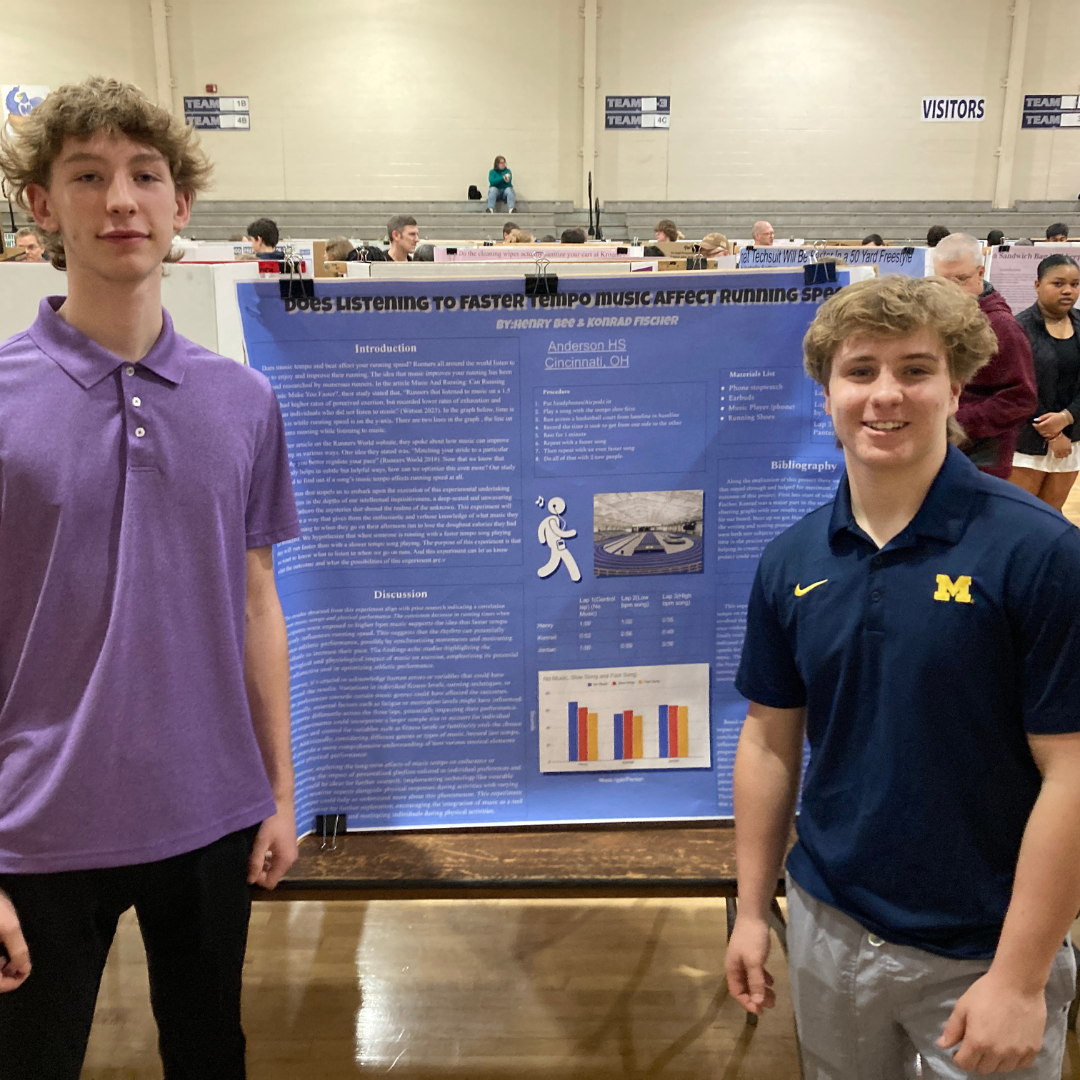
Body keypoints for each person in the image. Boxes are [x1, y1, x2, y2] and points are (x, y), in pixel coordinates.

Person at [0, 76, 301, 1077]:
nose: (120, 200)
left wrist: (278, 788)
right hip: (34, 827)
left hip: (209, 811)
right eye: (87, 176)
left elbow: (257, 599)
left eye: (144, 175)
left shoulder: (243, 401)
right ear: (41, 205)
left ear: (181, 204)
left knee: (211, 1055)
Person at [726, 273, 1080, 1080]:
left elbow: (1074, 772)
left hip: (985, 946)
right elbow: (771, 742)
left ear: (956, 388)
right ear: (827, 394)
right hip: (828, 925)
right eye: (861, 371)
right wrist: (752, 912)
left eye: (915, 370)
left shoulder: (1040, 554)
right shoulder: (793, 560)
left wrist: (1022, 979)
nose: (886, 395)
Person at [933, 232, 1037, 478]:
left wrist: (954, 420)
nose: (952, 289)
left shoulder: (1002, 326)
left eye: (960, 279)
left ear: (981, 273)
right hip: (944, 448)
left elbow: (1022, 399)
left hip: (984, 457)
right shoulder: (940, 317)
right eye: (944, 281)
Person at [1010, 254, 1080, 509]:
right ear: (1037, 285)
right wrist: (1050, 432)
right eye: (1058, 283)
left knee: (1053, 515)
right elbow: (1016, 388)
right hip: (1027, 440)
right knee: (1021, 516)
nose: (1068, 290)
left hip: (1073, 437)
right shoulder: (1018, 328)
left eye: (1075, 284)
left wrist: (1066, 418)